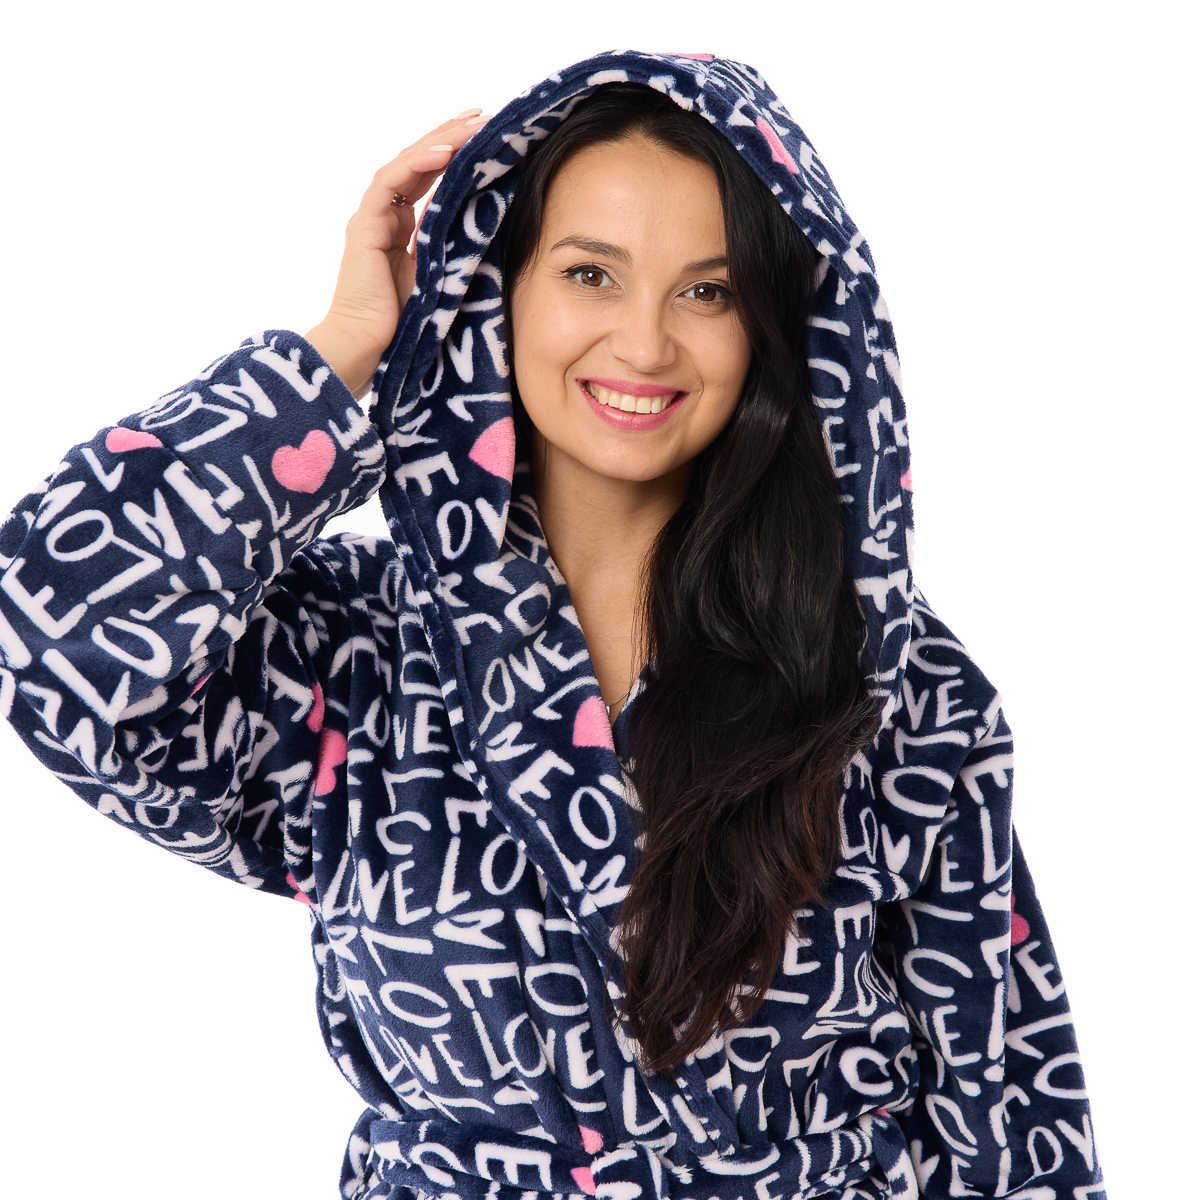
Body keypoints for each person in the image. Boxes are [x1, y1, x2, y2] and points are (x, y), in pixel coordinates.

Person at [0, 50, 1105, 1199]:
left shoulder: (889, 674)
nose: (645, 344)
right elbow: (47, 627)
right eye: (590, 274)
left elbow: (1006, 1099)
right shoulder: (360, 652)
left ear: (771, 328)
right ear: (496, 289)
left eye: (707, 292)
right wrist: (344, 353)